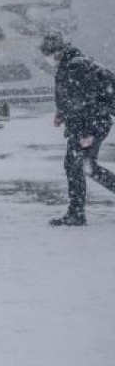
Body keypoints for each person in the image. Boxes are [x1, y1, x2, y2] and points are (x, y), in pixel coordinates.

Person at [39, 32, 115, 226]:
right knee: (85, 166)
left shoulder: (75, 66)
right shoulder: (70, 64)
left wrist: (85, 133)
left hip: (90, 125)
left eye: (49, 54)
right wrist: (61, 113)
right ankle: (76, 213)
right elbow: (72, 98)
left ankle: (76, 214)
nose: (47, 58)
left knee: (77, 166)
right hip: (91, 123)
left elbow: (85, 102)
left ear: (58, 51)